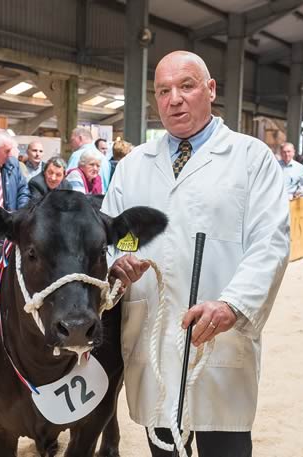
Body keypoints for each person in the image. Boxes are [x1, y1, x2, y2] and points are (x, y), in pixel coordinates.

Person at [103, 50, 290, 457]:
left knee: (225, 443)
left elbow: (271, 242)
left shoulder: (250, 158)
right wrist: (114, 262)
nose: (175, 99)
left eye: (186, 86)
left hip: (218, 338)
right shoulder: (133, 166)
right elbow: (110, 237)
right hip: (151, 335)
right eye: (163, 90)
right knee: (164, 446)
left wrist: (233, 304)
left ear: (210, 90)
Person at [67, 127, 111, 192]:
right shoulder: (105, 159)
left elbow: (69, 183)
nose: (71, 144)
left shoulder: (76, 155)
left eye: (72, 140)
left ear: (80, 138)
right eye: (92, 165)